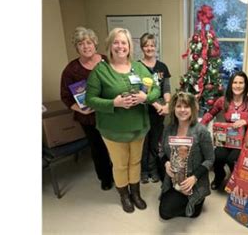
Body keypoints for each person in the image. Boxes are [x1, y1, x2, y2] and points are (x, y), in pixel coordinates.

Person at [85, 27, 160, 213]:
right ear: (110, 45)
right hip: (113, 129)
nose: (120, 46)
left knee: (135, 162)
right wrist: (114, 103)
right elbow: (90, 99)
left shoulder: (139, 67)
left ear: (129, 46)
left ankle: (135, 193)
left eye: (124, 42)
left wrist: (146, 97)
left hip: (138, 127)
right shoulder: (100, 70)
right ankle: (124, 195)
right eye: (116, 42)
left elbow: (156, 89)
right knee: (120, 164)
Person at [60, 26, 114, 191]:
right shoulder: (71, 70)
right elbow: (65, 96)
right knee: (98, 148)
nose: (86, 46)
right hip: (89, 117)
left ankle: (119, 174)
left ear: (95, 44)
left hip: (110, 113)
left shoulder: (106, 61)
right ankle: (105, 177)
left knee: (114, 145)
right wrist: (80, 109)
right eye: (81, 44)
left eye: (89, 42)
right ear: (76, 47)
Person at [158, 92, 214, 220]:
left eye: (187, 106)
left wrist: (194, 177)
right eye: (178, 106)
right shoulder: (168, 128)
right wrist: (166, 163)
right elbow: (162, 152)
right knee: (164, 213)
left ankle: (197, 199)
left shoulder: (201, 131)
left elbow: (210, 159)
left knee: (190, 213)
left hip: (194, 179)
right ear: (173, 108)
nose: (182, 110)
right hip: (174, 178)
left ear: (192, 109)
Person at [200, 71, 248, 190]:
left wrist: (245, 121)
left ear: (245, 85)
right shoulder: (223, 100)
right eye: (235, 82)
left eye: (241, 83)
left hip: (244, 140)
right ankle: (219, 176)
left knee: (233, 160)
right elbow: (211, 113)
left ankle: (235, 181)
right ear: (231, 84)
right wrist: (200, 125)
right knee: (217, 156)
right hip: (226, 139)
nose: (237, 85)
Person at [138, 33, 172, 184]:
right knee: (143, 143)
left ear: (155, 47)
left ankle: (153, 169)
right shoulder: (137, 66)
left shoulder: (162, 67)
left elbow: (166, 89)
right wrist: (156, 104)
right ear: (142, 47)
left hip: (159, 112)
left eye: (152, 45)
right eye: (146, 45)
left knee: (154, 142)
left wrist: (168, 105)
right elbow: (141, 92)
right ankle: (144, 170)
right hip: (142, 111)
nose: (149, 48)